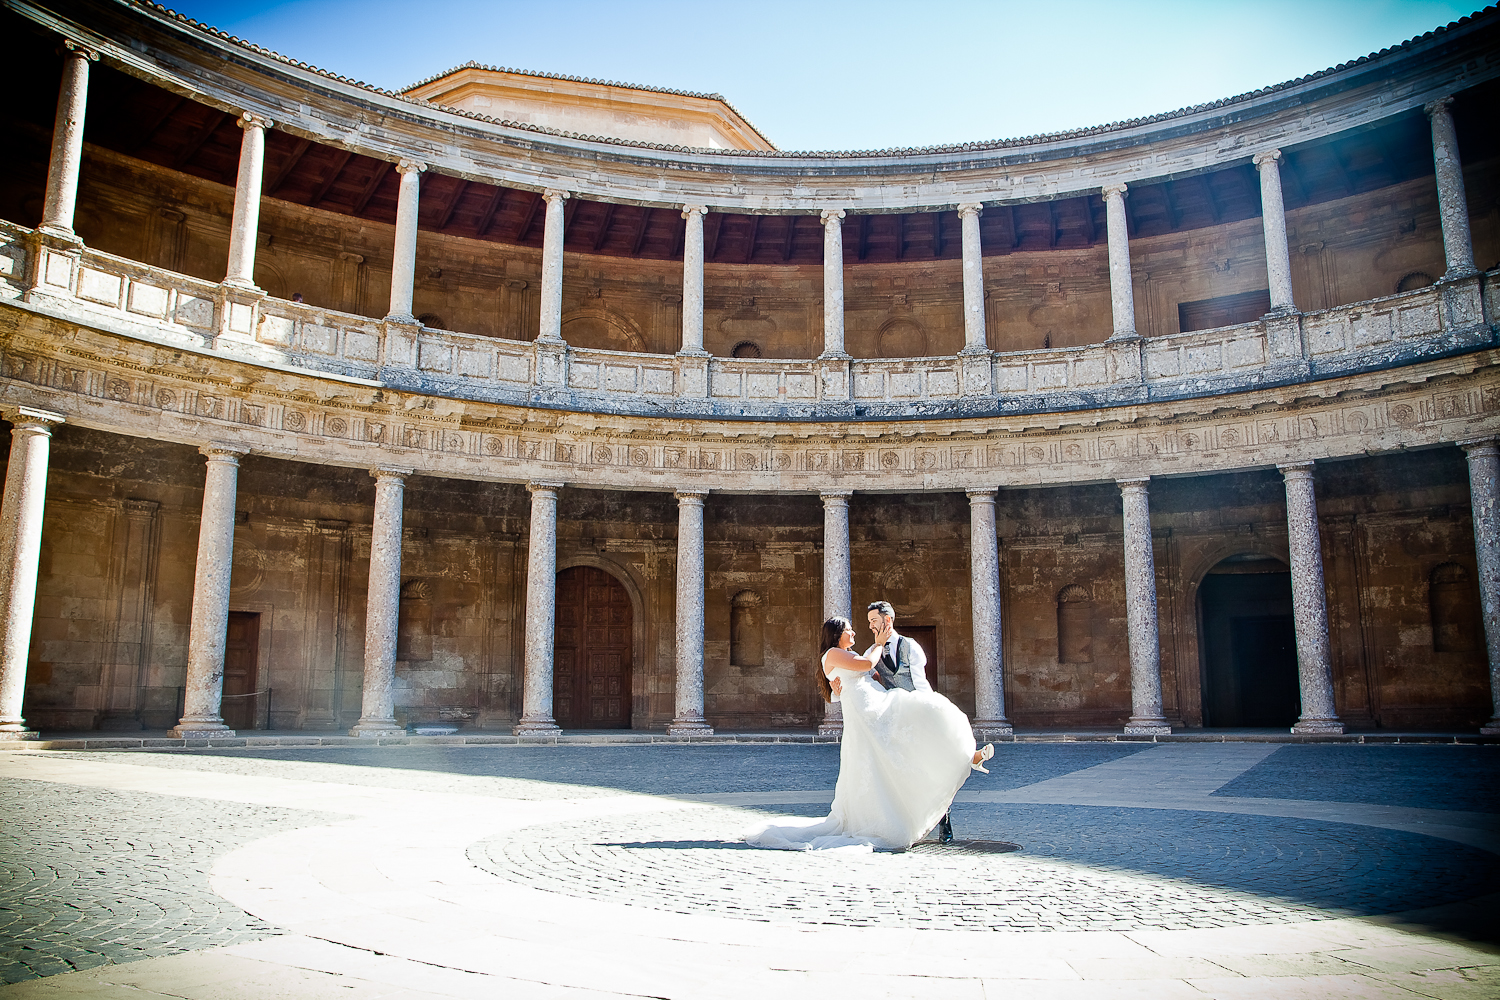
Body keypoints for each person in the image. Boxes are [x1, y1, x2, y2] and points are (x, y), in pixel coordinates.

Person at [742, 615, 993, 852]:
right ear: (838, 634)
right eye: (849, 629)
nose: (853, 632)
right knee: (907, 734)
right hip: (868, 714)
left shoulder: (846, 654)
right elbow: (864, 665)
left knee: (916, 728)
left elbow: (855, 680)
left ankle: (966, 755)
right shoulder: (832, 654)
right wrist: (878, 644)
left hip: (874, 707)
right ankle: (962, 759)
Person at [866, 599, 953, 841]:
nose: (871, 626)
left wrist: (928, 712)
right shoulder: (870, 651)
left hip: (918, 715)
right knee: (904, 773)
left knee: (931, 769)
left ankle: (944, 820)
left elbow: (920, 683)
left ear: (888, 620)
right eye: (870, 622)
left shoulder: (911, 646)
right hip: (894, 720)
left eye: (874, 621)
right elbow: (864, 678)